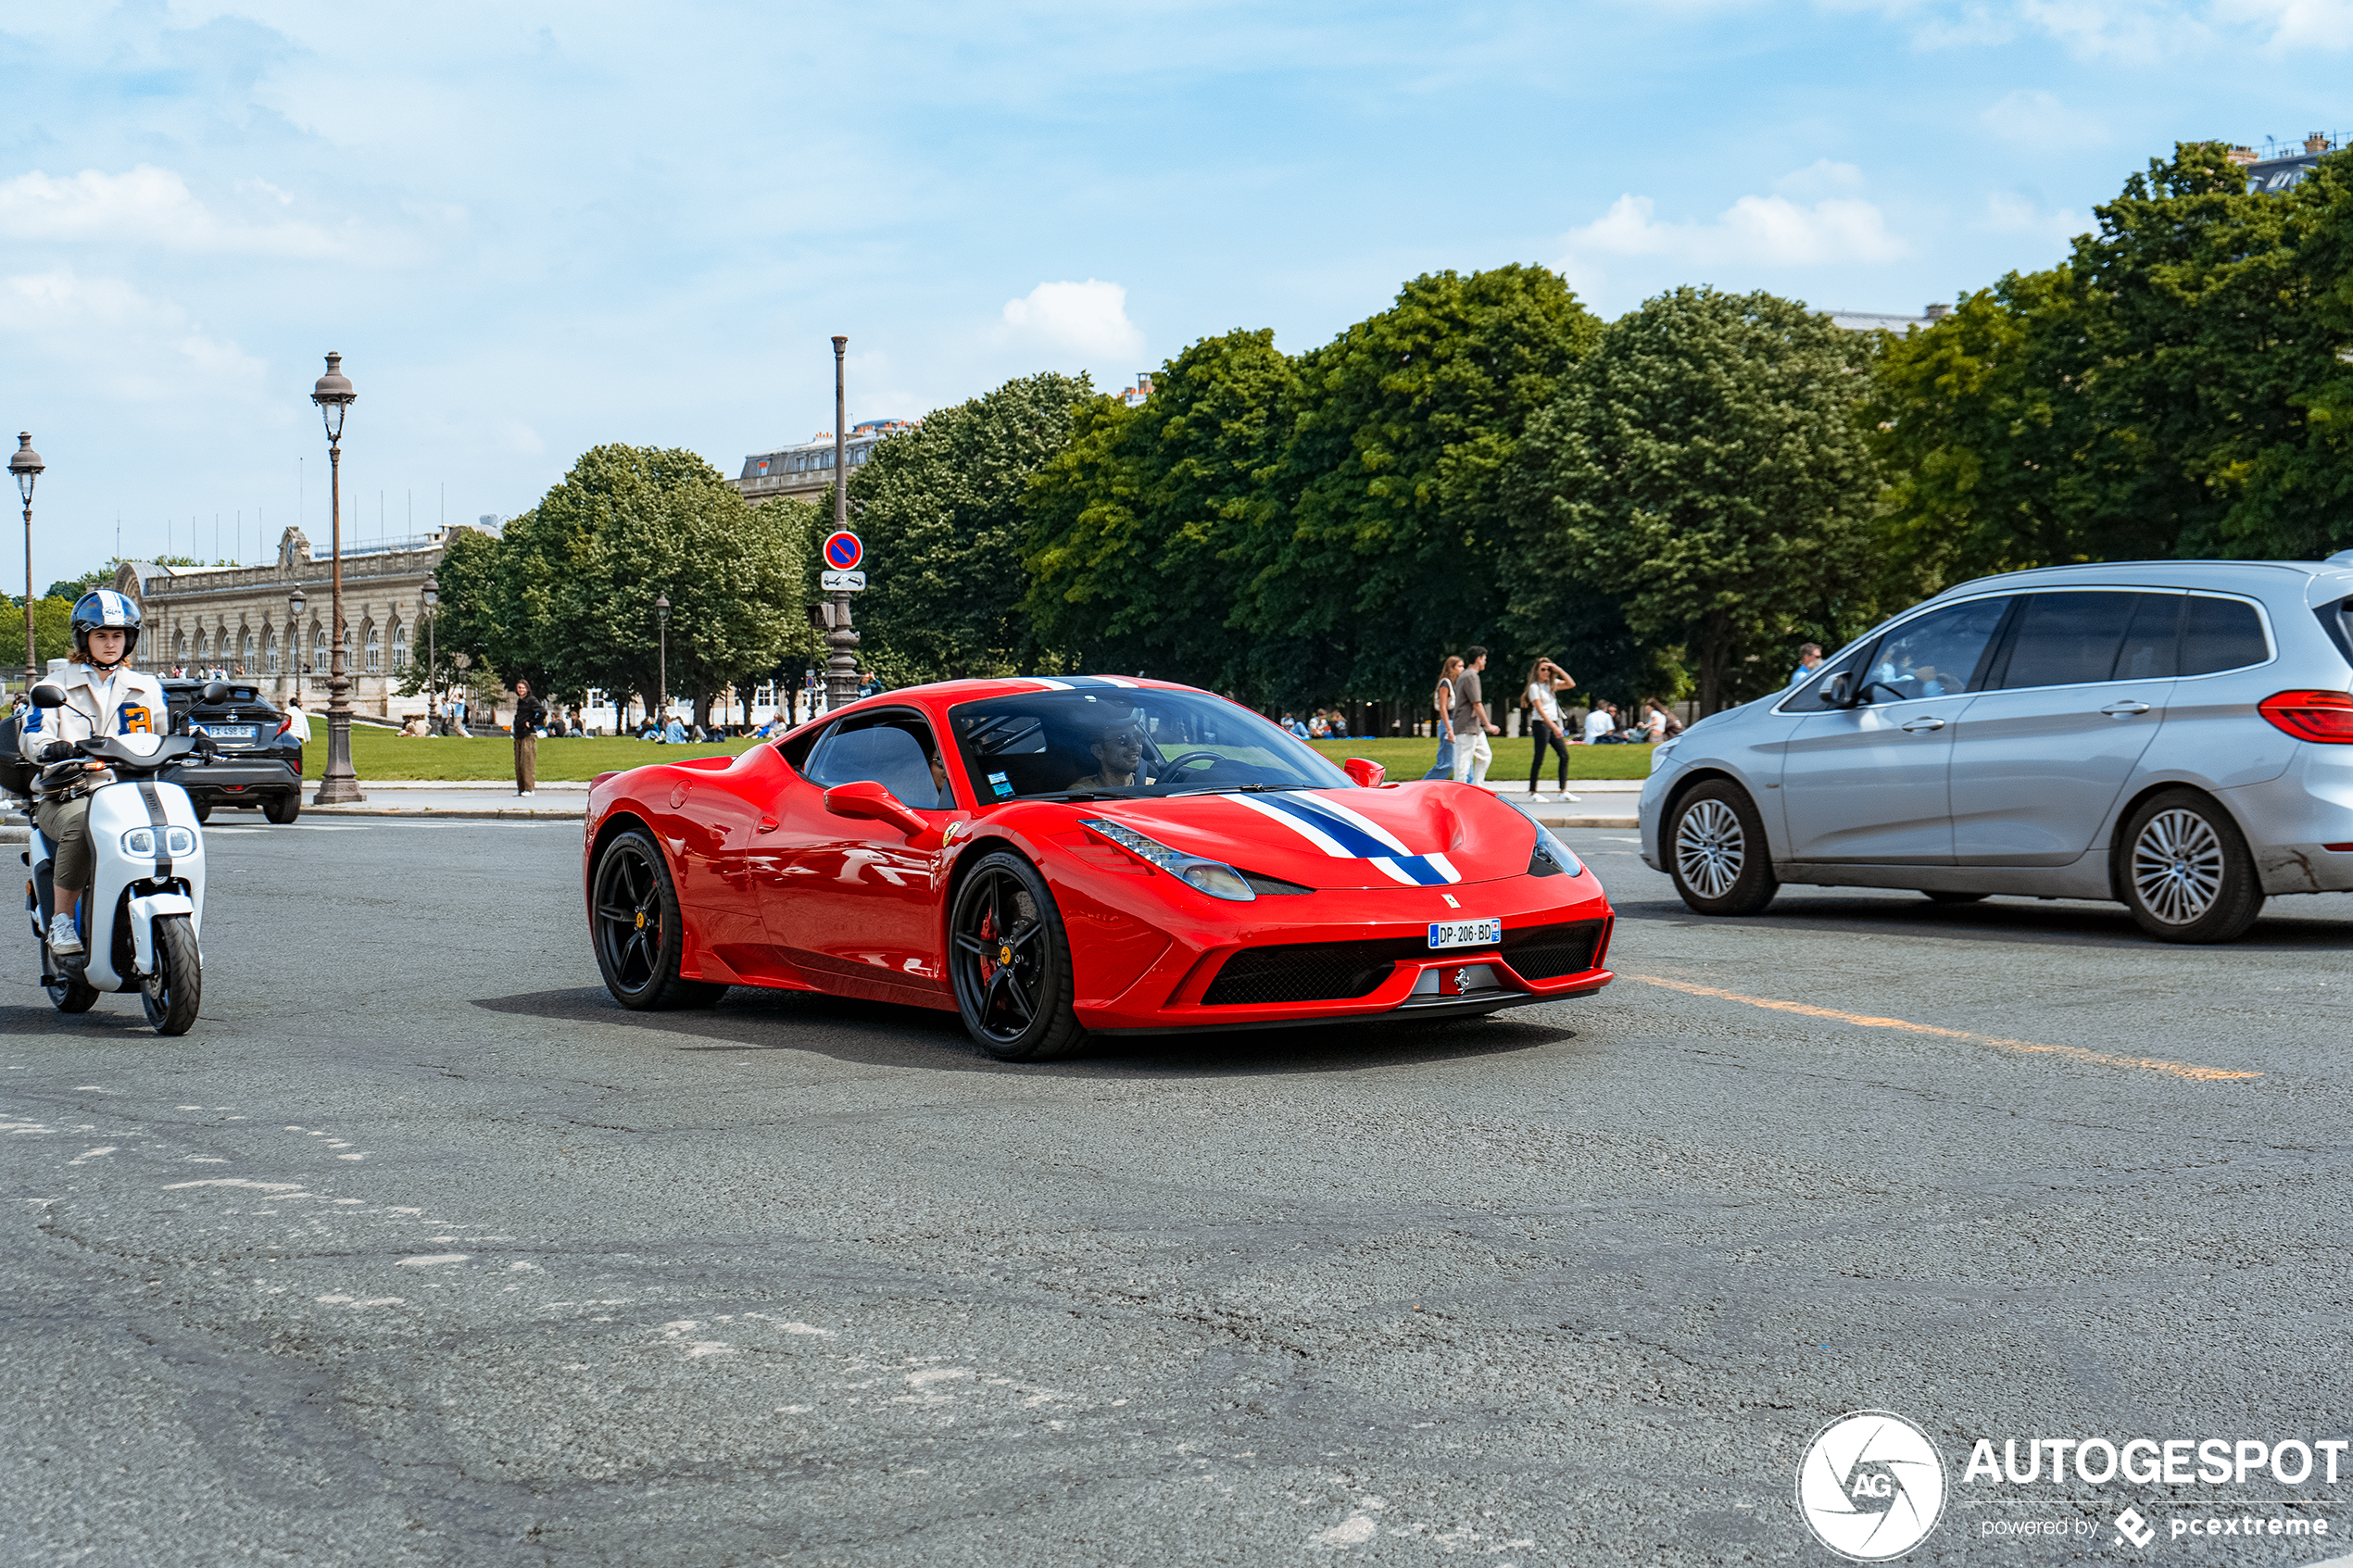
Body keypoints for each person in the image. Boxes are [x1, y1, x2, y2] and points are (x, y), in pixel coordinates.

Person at [19, 592, 170, 959]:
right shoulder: (52, 686)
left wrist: (197, 737)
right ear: (84, 638)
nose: (110, 643)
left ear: (129, 639)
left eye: (117, 636)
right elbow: (32, 732)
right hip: (68, 793)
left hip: (128, 792)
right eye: (101, 635)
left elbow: (166, 728)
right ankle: (61, 920)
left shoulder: (145, 687)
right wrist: (47, 748)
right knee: (82, 826)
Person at [1523, 657, 1577, 797]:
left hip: (1553, 723)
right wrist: (1554, 727)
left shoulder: (1551, 685)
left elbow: (1571, 684)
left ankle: (1563, 790)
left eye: (1548, 669)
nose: (1546, 672)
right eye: (1543, 669)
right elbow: (1540, 709)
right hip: (1541, 723)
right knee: (1539, 757)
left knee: (1564, 755)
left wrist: (1557, 668)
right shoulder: (1534, 687)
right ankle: (1533, 792)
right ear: (1537, 671)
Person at [1450, 646, 1498, 784]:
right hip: (1466, 726)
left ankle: (1478, 786)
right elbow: (1476, 703)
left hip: (1474, 727)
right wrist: (1489, 724)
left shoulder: (1465, 675)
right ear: (1478, 659)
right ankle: (1459, 794)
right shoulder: (1471, 676)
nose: (1485, 662)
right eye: (1484, 659)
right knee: (1463, 765)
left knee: (1485, 755)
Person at [1068, 717, 1148, 791]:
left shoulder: (1152, 786)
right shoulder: (1082, 792)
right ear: (1098, 751)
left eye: (1138, 737)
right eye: (1122, 739)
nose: (1135, 745)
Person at [1422, 656, 1462, 780]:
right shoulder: (1445, 684)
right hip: (1448, 723)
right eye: (1459, 666)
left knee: (1463, 760)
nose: (1462, 669)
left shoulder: (1456, 683)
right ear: (1451, 668)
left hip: (1456, 723)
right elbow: (1443, 708)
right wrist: (1449, 729)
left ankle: (1469, 786)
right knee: (1447, 763)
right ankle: (1424, 784)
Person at [511, 678, 544, 797]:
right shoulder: (520, 701)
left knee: (527, 762)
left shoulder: (531, 700)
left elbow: (542, 712)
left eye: (523, 688)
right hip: (518, 734)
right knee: (518, 763)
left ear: (527, 689)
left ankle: (529, 788)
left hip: (527, 734)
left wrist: (531, 722)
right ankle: (520, 788)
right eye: (519, 688)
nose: (521, 690)